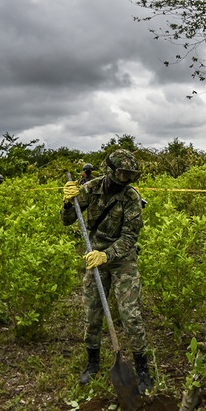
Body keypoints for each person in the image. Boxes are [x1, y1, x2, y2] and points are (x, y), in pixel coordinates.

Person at [61, 149, 153, 395]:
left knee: (130, 314)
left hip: (123, 259)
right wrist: (68, 202)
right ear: (110, 172)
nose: (124, 180)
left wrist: (108, 255)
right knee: (91, 312)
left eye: (129, 176)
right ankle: (93, 363)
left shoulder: (132, 198)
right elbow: (68, 219)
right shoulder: (90, 189)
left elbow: (130, 237)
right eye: (121, 175)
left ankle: (142, 368)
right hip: (95, 257)